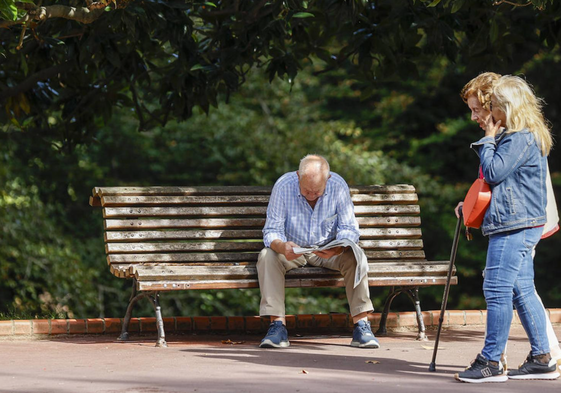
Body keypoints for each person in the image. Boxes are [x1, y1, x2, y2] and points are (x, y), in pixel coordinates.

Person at [454, 74, 560, 383]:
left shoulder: (517, 136)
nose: (481, 116)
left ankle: (490, 362)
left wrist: (487, 138)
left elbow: (495, 172)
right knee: (521, 289)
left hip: (514, 225)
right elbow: (506, 184)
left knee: (496, 288)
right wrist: (473, 203)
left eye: (490, 107)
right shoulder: (526, 134)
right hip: (521, 221)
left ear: (506, 107)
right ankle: (542, 358)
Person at [256, 154, 379, 349]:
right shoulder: (283, 186)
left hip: (329, 250)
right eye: (306, 190)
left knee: (356, 255)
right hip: (293, 251)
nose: (311, 195)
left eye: (317, 191)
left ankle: (361, 326)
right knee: (267, 256)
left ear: (327, 179)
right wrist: (282, 247)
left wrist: (338, 247)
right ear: (298, 176)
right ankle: (277, 326)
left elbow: (349, 228)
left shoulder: (338, 185)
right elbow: (271, 231)